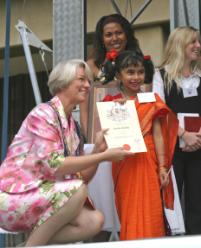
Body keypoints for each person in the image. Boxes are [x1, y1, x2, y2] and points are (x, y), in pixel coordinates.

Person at [0, 59, 131, 247]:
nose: (87, 85)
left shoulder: (73, 127)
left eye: (88, 80)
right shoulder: (43, 114)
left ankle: (29, 245)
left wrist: (97, 151)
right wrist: (104, 156)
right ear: (63, 82)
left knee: (94, 221)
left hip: (39, 199)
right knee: (77, 191)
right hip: (11, 199)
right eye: (82, 79)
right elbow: (56, 165)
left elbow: (81, 178)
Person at [103, 50, 179, 240]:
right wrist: (118, 112)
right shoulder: (110, 103)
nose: (136, 77)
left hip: (149, 161)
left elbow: (159, 136)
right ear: (119, 74)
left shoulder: (152, 100)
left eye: (139, 72)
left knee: (151, 210)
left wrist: (163, 167)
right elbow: (106, 138)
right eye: (130, 72)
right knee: (130, 210)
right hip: (124, 163)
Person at [152, 26, 201, 235]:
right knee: (169, 206)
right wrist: (183, 134)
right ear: (180, 44)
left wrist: (197, 138)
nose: (198, 46)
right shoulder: (160, 76)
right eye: (193, 42)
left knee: (197, 205)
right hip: (171, 151)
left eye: (198, 42)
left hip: (199, 148)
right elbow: (158, 111)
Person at [80, 13, 143, 138]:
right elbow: (84, 109)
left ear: (126, 36)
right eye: (108, 35)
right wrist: (91, 138)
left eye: (119, 33)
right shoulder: (91, 66)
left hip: (135, 134)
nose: (114, 38)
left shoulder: (140, 63)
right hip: (102, 137)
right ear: (102, 40)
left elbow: (146, 99)